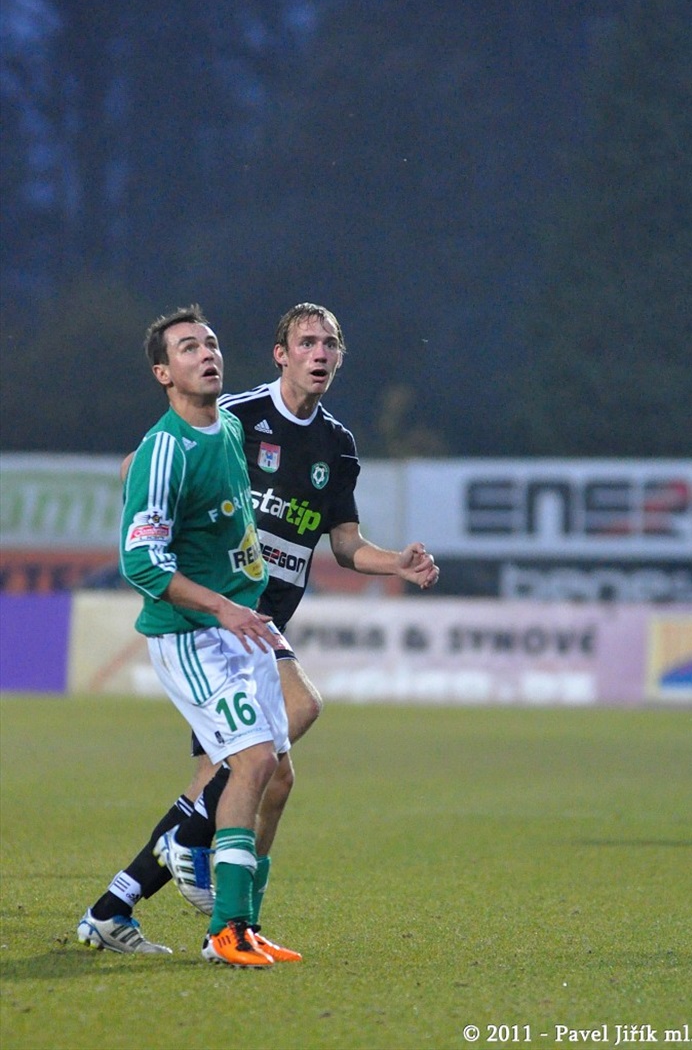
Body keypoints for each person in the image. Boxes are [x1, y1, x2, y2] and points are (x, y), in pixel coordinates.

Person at [78, 302, 439, 956]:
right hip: (221, 618)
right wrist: (183, 524)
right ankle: (203, 880)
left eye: (331, 342)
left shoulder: (336, 444)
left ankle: (125, 904)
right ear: (281, 353)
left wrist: (398, 565)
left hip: (258, 621)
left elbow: (346, 544)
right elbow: (142, 468)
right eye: (308, 341)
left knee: (263, 776)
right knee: (277, 735)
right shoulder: (238, 414)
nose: (321, 353)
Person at [78, 305, 295, 969]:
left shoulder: (226, 424)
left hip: (242, 626)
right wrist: (224, 608)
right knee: (253, 761)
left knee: (278, 775)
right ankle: (224, 929)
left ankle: (230, 922)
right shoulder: (165, 447)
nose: (207, 353)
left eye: (211, 342)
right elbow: (142, 563)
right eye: (188, 347)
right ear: (163, 373)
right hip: (194, 636)